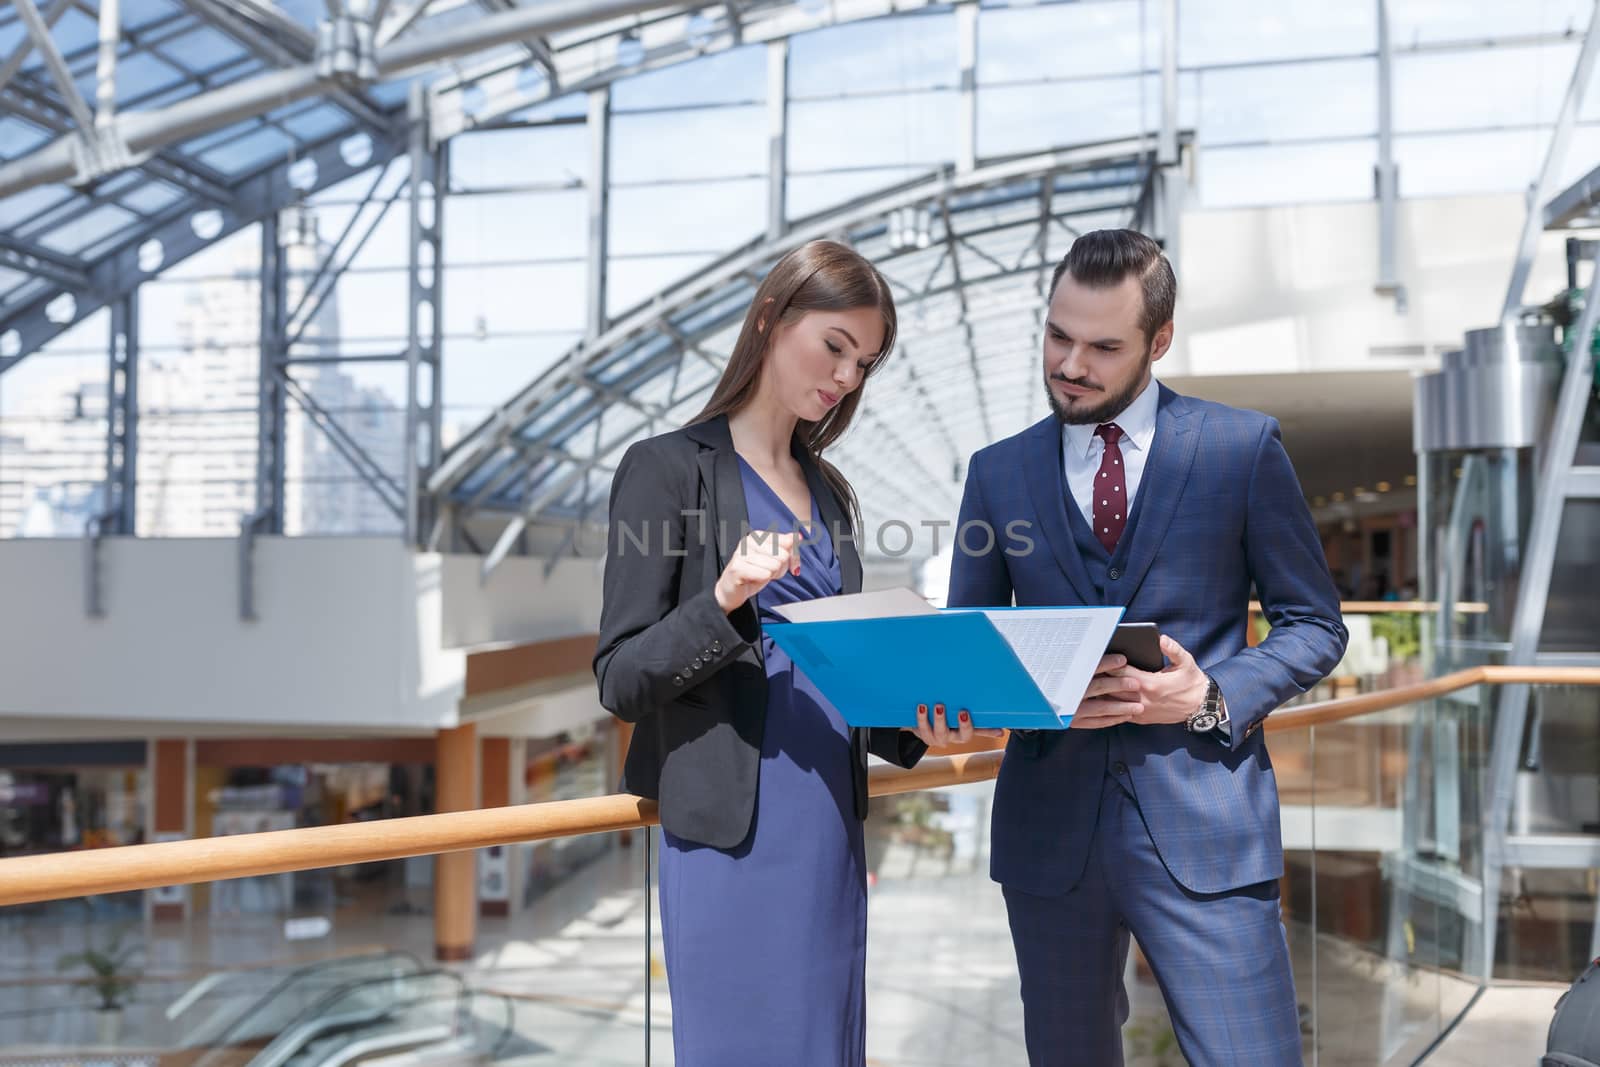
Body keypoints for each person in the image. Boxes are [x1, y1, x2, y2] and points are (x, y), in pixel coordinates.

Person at [947, 229, 1347, 1066]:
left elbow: (1315, 622)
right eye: (1058, 336)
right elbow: (970, 648)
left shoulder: (1241, 447)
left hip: (1207, 828)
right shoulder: (996, 472)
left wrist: (1208, 694)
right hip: (1049, 835)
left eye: (1103, 347)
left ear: (1158, 343)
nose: (1071, 364)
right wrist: (1016, 696)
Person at [594, 239, 998, 1066]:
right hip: (729, 832)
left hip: (827, 823)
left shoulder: (831, 492)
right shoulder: (667, 469)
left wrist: (921, 727)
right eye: (836, 347)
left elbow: (834, 669)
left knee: (825, 1041)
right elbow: (621, 677)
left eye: (866, 362)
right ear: (773, 318)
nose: (847, 378)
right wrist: (723, 599)